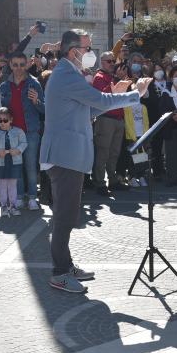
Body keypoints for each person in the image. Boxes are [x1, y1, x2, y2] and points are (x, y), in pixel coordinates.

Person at [40, 29, 149, 293]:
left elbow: (91, 108)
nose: (91, 54)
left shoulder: (70, 73)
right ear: (72, 50)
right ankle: (60, 273)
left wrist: (118, 93)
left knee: (68, 214)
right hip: (65, 156)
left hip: (70, 155)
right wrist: (135, 93)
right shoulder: (66, 74)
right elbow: (99, 100)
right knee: (65, 217)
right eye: (87, 48)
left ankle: (65, 265)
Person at [0, 52, 45, 210]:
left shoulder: (34, 83)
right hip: (12, 133)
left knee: (31, 166)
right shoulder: (4, 85)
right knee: (16, 166)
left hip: (31, 131)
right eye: (15, 64)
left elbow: (44, 109)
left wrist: (36, 101)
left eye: (22, 64)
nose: (19, 68)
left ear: (27, 65)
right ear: (10, 65)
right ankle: (18, 196)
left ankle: (32, 197)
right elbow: (2, 111)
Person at [91, 51, 128, 195]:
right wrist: (118, 80)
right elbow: (103, 98)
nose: (112, 64)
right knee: (102, 152)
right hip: (105, 119)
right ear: (102, 62)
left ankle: (112, 180)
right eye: (109, 61)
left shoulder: (113, 76)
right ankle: (99, 182)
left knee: (114, 153)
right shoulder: (99, 77)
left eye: (113, 61)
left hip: (118, 119)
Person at [0, 107, 27, 217]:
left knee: (13, 185)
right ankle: (3, 206)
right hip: (0, 162)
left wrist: (18, 150)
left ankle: (13, 206)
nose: (2, 123)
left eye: (5, 120)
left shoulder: (18, 131)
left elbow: (24, 143)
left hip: (15, 162)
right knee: (3, 185)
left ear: (11, 120)